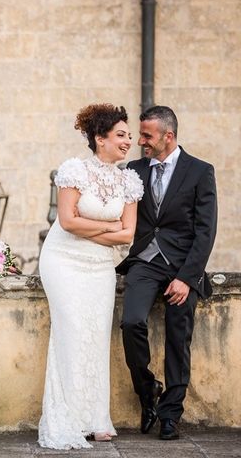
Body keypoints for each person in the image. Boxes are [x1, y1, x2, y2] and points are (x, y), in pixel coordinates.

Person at [38, 103, 144, 449]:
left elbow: (128, 234)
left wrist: (93, 229)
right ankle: (67, 417)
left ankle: (96, 418)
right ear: (100, 139)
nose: (129, 141)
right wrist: (107, 227)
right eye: (121, 135)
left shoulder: (129, 181)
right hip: (63, 261)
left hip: (100, 267)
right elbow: (66, 221)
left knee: (96, 336)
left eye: (129, 136)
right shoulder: (74, 171)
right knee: (71, 331)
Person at [116, 106, 217, 440]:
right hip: (144, 261)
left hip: (182, 265)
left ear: (168, 136)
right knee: (131, 322)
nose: (139, 141)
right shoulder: (133, 169)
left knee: (178, 338)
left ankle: (171, 414)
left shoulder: (200, 171)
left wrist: (187, 278)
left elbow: (206, 230)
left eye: (146, 135)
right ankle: (147, 392)